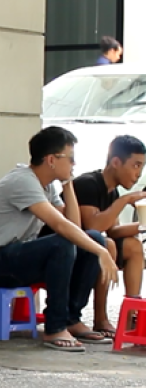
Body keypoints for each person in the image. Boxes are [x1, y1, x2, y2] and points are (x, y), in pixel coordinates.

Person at [0, 126, 118, 352]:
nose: (74, 164)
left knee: (94, 239)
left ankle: (71, 319)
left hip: (20, 258)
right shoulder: (23, 181)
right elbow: (60, 226)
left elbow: (74, 225)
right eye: (70, 158)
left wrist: (68, 184)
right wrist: (103, 253)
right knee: (63, 243)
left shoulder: (47, 185)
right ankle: (55, 327)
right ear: (51, 159)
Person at [72, 135, 146, 336]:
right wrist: (125, 200)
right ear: (115, 162)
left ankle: (132, 316)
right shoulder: (88, 183)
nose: (138, 173)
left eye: (142, 167)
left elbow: (114, 230)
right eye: (136, 165)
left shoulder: (111, 192)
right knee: (109, 245)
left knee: (133, 246)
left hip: (93, 247)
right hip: (68, 251)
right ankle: (101, 318)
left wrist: (143, 226)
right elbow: (93, 226)